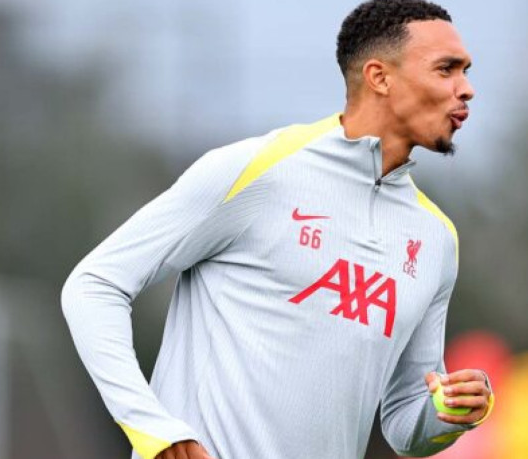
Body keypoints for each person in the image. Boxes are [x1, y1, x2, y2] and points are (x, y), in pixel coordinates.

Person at [61, 1, 493, 458]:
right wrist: (151, 428)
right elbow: (94, 285)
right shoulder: (258, 170)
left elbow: (405, 422)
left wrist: (449, 412)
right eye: (447, 69)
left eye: (465, 72)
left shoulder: (435, 239)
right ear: (379, 77)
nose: (466, 90)